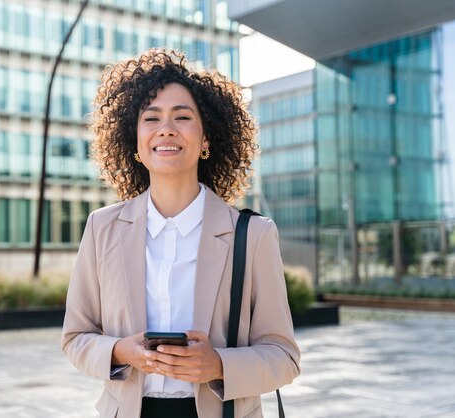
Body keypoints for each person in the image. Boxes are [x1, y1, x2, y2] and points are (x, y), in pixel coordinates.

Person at [61, 48, 300, 418]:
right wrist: (121, 351)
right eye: (151, 118)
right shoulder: (102, 228)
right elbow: (76, 338)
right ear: (135, 141)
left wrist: (218, 365)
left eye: (182, 117)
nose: (166, 128)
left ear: (206, 139)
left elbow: (284, 357)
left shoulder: (252, 235)